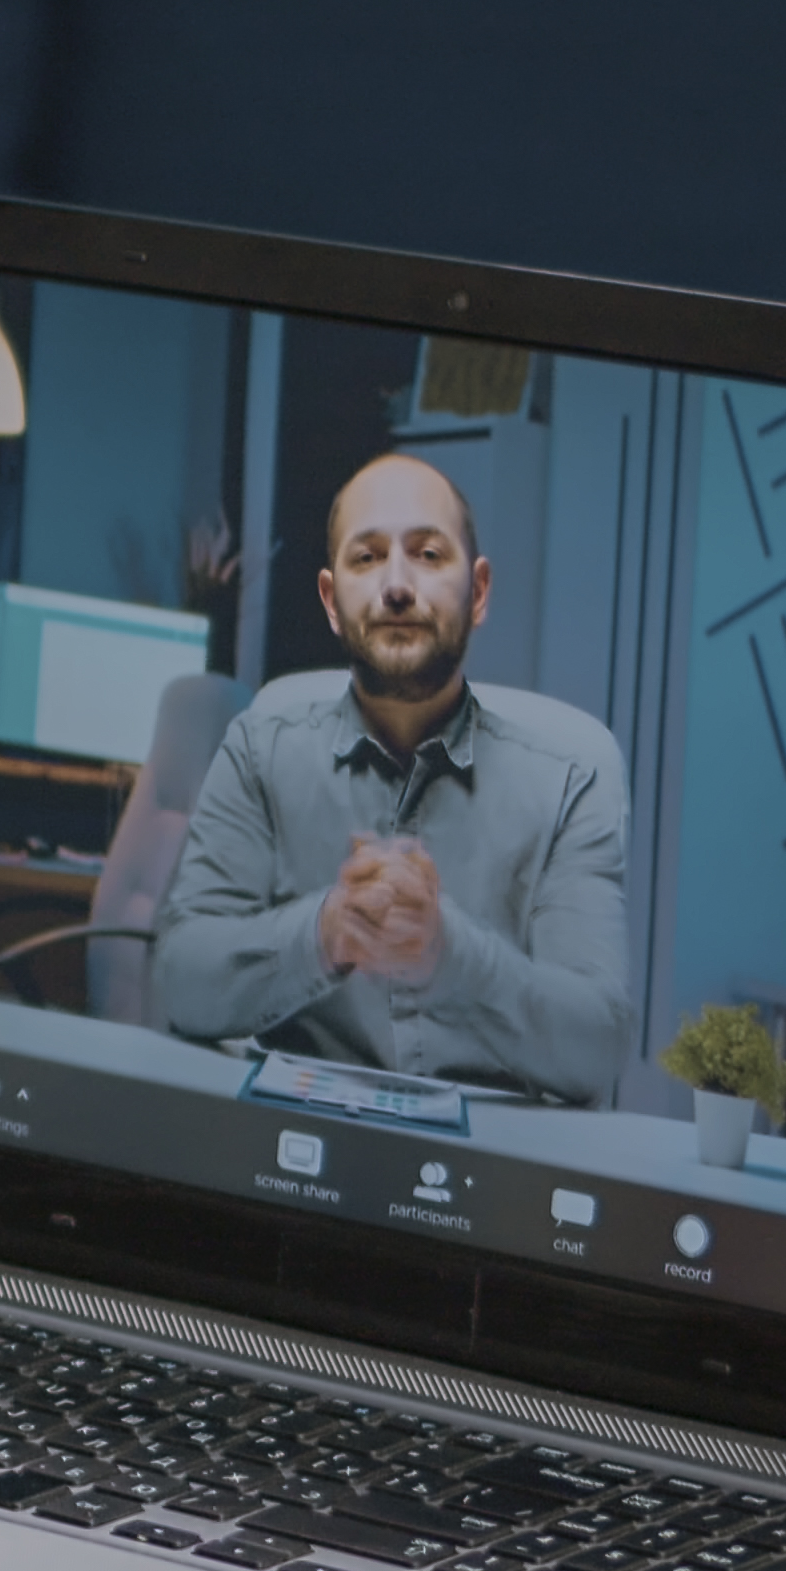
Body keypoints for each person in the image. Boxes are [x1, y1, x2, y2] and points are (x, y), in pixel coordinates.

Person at [149, 451, 637, 1103]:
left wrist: (450, 955)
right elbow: (181, 980)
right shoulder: (260, 748)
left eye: (429, 555)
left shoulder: (569, 782)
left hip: (488, 1173)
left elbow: (596, 1046)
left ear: (480, 591)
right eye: (367, 556)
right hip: (292, 1146)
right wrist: (324, 933)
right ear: (330, 599)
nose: (397, 585)